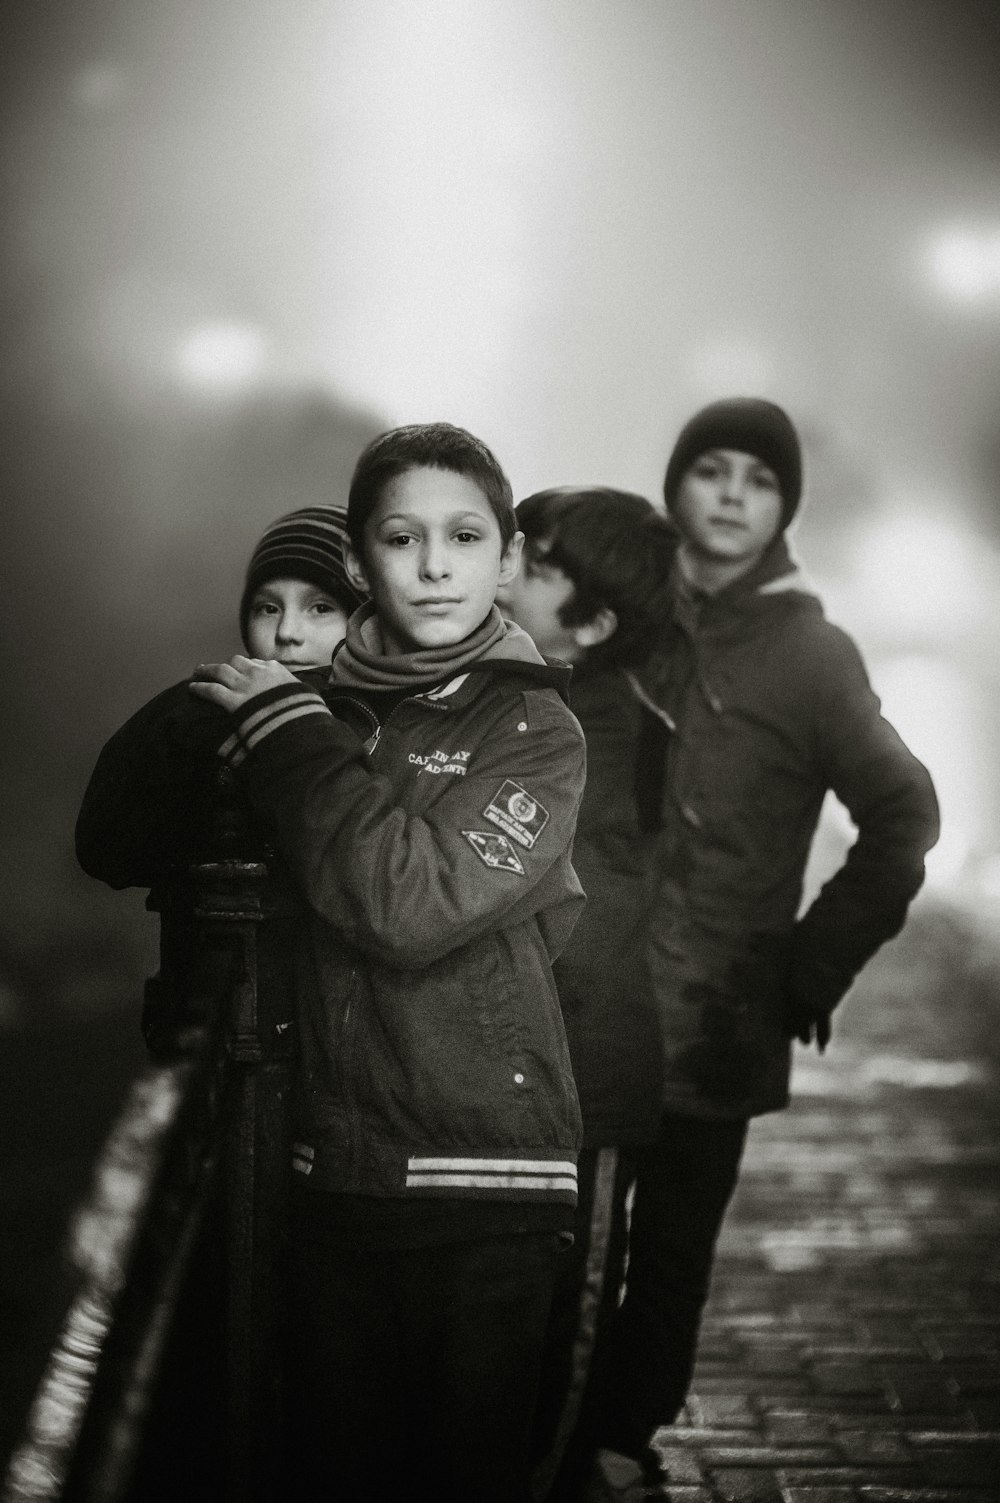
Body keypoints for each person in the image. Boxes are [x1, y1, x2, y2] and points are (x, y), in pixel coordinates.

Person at [189, 424, 587, 1503]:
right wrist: (246, 702)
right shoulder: (312, 706)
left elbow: (412, 906)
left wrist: (290, 736)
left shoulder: (536, 729)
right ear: (359, 565)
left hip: (489, 1178)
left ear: (505, 556)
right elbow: (115, 836)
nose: (434, 564)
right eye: (401, 538)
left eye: (465, 535)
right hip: (335, 1174)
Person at [571, 397, 940, 1499]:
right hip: (585, 1000)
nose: (731, 495)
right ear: (675, 485)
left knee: (670, 1253)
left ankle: (617, 1436)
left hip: (720, 1014)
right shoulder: (618, 616)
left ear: (784, 508)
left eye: (759, 480)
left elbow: (902, 815)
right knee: (556, 1236)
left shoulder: (811, 653)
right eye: (711, 470)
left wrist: (809, 964)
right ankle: (540, 1424)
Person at [494, 486, 678, 1502]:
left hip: (586, 1071)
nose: (513, 559)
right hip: (534, 1063)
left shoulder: (598, 726)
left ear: (596, 622)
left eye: (543, 558)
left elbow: (588, 912)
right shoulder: (530, 698)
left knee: (568, 1314)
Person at [75, 503, 367, 893]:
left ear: (366, 618)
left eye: (320, 608)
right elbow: (103, 849)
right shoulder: (202, 707)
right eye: (268, 608)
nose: (287, 632)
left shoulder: (392, 713)